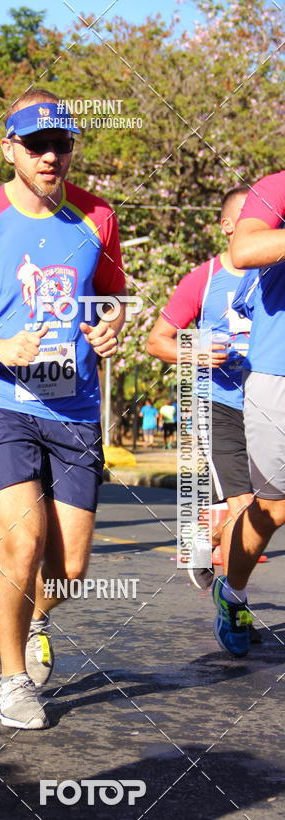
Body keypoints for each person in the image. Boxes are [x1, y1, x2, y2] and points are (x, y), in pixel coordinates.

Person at [0, 88, 126, 729]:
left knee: (69, 569)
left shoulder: (97, 217)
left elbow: (112, 296)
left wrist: (110, 326)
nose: (49, 157)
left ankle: (36, 618)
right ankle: (11, 682)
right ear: (9, 148)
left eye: (60, 144)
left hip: (74, 408)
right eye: (36, 145)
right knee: (23, 540)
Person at [146, 189, 266, 621]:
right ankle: (234, 606)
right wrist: (192, 351)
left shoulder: (275, 275)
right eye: (251, 216)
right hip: (218, 404)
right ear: (228, 226)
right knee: (243, 505)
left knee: (267, 510)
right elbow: (156, 341)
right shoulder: (204, 278)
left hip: (267, 405)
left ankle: (206, 539)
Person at [207, 170, 285, 657]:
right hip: (276, 372)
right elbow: (245, 250)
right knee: (273, 507)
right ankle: (232, 592)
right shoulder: (276, 186)